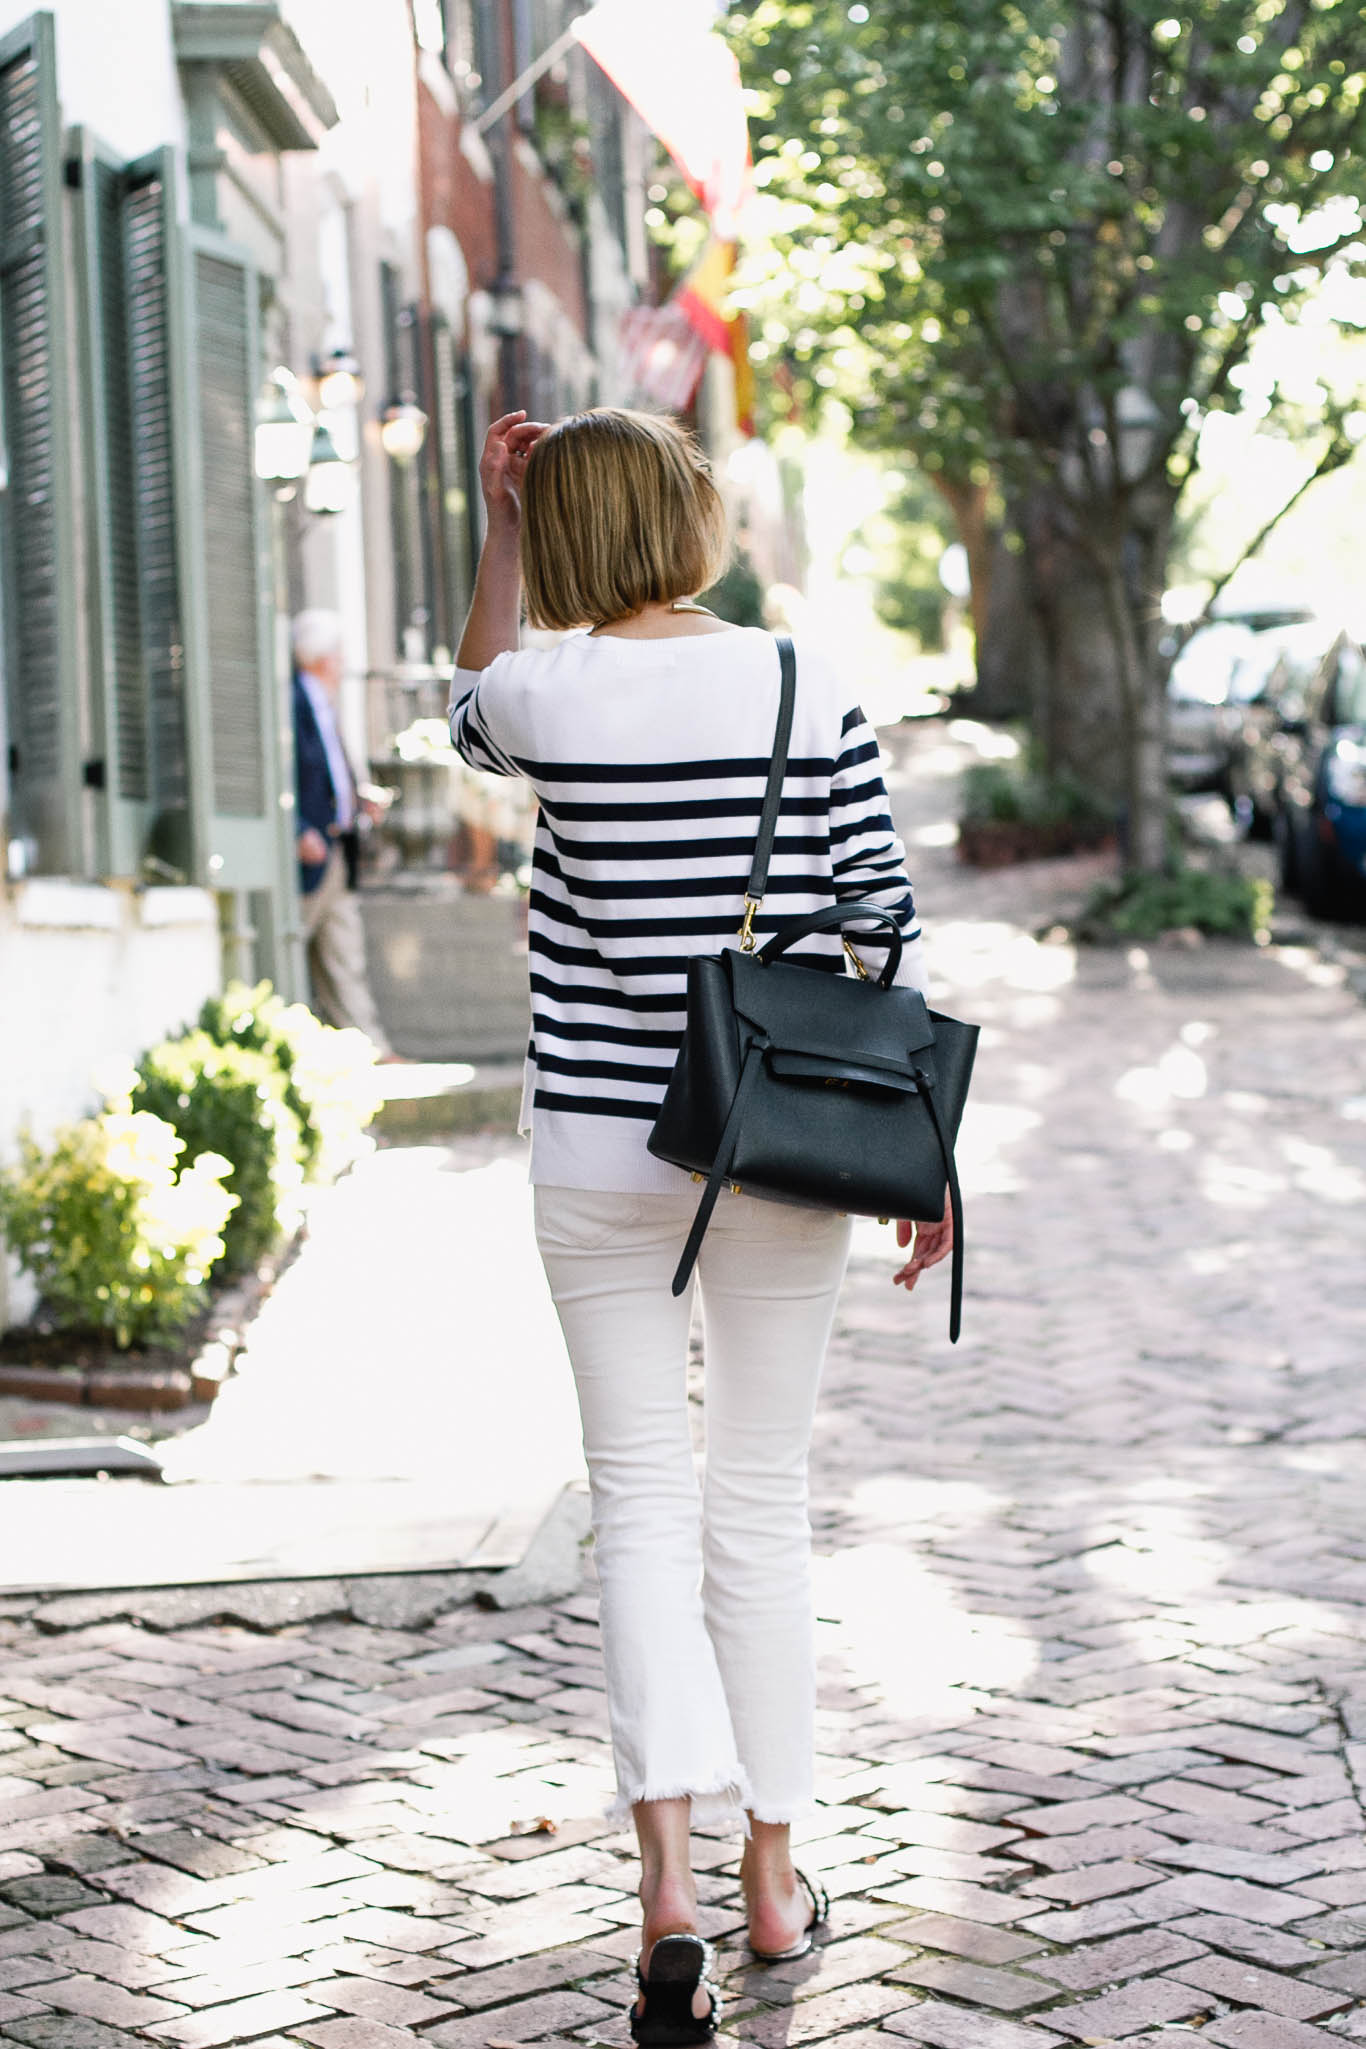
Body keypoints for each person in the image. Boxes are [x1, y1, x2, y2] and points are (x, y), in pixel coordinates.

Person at [450, 410, 952, 2044]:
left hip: (598, 1152)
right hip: (779, 1134)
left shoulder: (545, 691)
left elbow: (465, 697)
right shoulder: (808, 684)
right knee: (759, 1493)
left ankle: (661, 1879)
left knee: (639, 1500)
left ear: (561, 539)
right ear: (689, 513)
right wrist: (927, 1153)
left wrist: (498, 520)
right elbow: (878, 926)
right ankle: (774, 1868)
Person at [292, 610, 394, 1058]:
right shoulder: (292, 701)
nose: (342, 663)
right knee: (294, 942)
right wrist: (295, 828)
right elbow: (282, 775)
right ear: (319, 658)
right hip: (309, 851)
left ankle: (370, 1050)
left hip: (338, 847)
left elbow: (329, 772)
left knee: (344, 954)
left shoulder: (324, 703)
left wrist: (357, 798)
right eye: (337, 654)